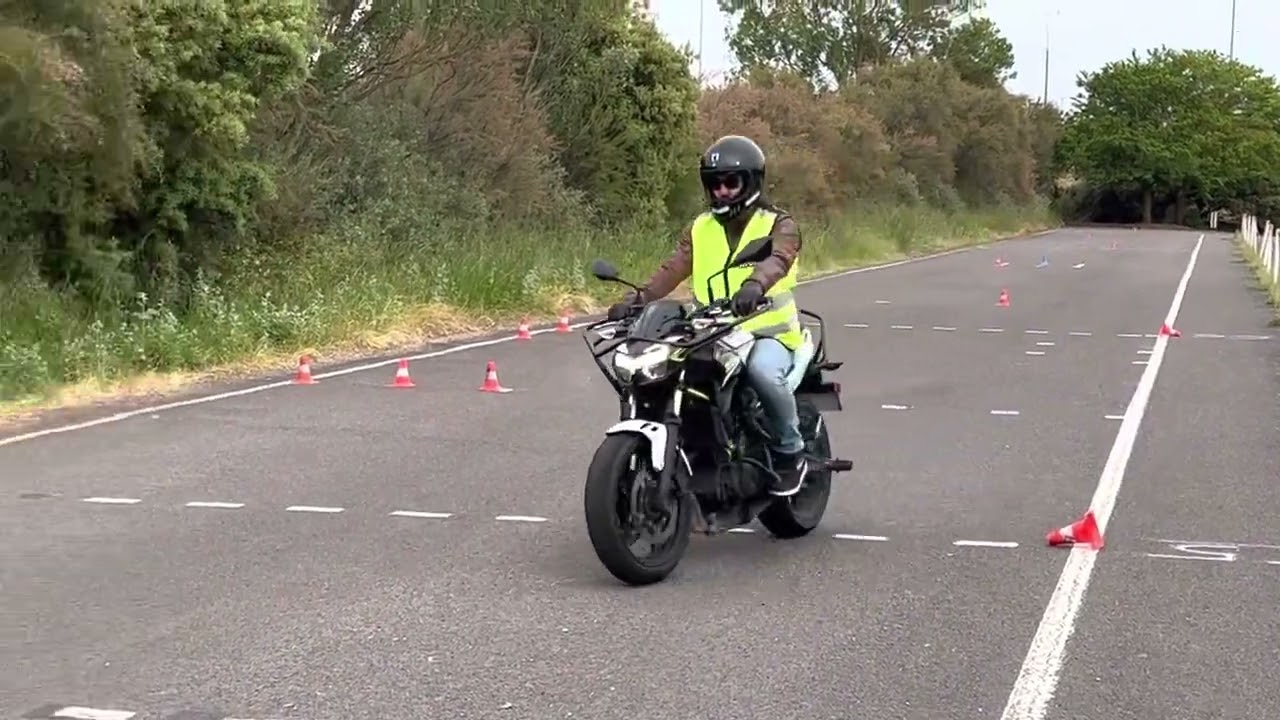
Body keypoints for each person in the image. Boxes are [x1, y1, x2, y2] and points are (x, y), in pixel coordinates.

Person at [606, 135, 809, 497]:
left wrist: (754, 286)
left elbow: (779, 258)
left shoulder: (780, 223)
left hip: (768, 332)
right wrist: (636, 298)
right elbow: (673, 268)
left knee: (763, 373)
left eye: (732, 182)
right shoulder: (701, 227)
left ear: (752, 182)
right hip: (715, 329)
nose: (723, 192)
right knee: (668, 367)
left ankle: (789, 452)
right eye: (715, 184)